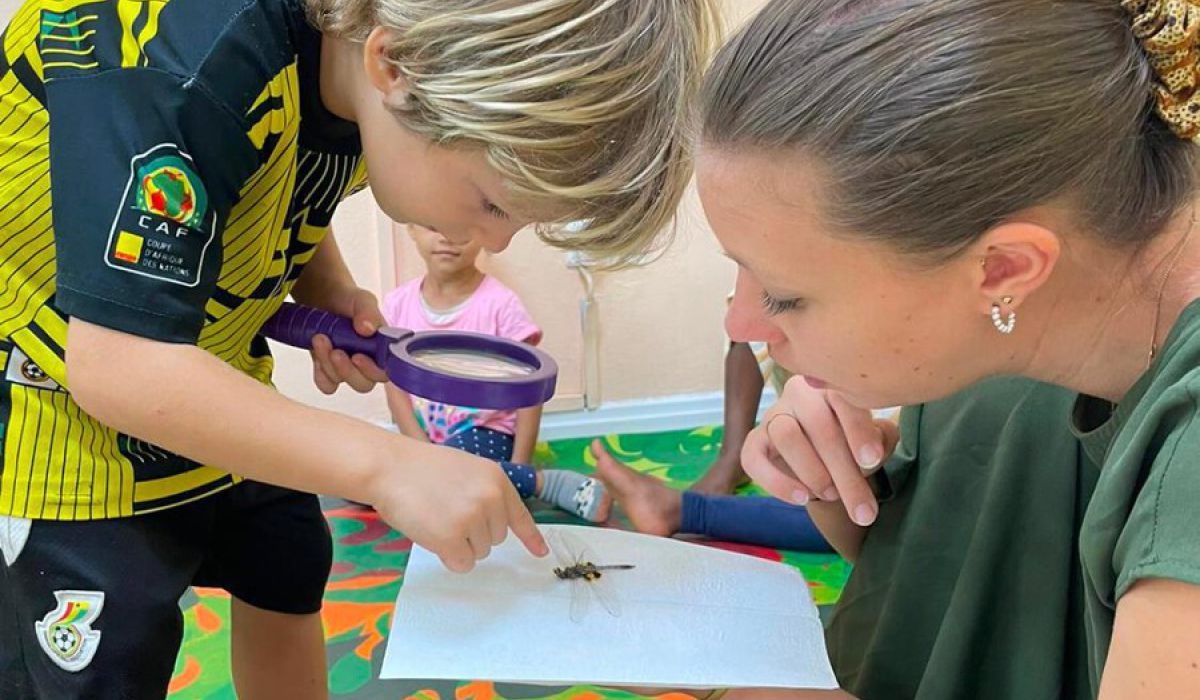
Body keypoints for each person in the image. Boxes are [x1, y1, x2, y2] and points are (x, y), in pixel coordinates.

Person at [0, 0, 718, 697]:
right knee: (107, 652)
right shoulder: (179, 66)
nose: (497, 242)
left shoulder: (355, 59)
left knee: (284, 555)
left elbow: (258, 168)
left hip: (197, 365)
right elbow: (118, 365)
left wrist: (327, 284)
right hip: (52, 414)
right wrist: (385, 465)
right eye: (495, 204)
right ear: (394, 66)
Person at [698, 0, 1200, 696]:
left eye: (785, 295)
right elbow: (936, 572)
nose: (742, 323)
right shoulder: (1033, 329)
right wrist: (847, 485)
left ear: (1004, 271)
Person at [385, 225, 611, 522]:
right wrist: (421, 449)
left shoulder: (500, 304)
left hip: (485, 436)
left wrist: (520, 467)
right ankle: (444, 478)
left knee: (452, 475)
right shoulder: (396, 305)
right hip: (427, 439)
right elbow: (393, 384)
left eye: (459, 223)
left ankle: (543, 483)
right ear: (411, 228)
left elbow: (528, 394)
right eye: (431, 225)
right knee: (368, 466)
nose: (447, 235)